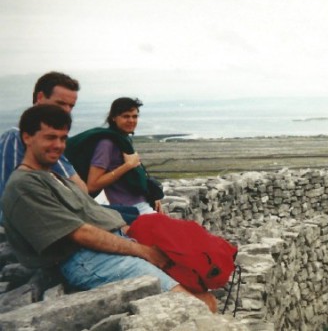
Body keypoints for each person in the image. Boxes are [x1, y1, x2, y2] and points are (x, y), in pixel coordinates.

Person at [1, 104, 216, 312]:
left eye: (63, 138)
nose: (58, 145)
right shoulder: (24, 185)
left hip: (109, 247)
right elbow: (80, 233)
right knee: (194, 306)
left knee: (206, 296)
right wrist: (144, 251)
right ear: (26, 137)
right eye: (50, 137)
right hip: (87, 260)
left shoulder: (53, 176)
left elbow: (92, 213)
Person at [0, 72, 87, 223]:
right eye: (60, 103)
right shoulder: (17, 137)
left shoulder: (52, 143)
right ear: (40, 98)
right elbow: (12, 196)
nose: (66, 110)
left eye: (71, 106)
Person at [66, 98, 161, 215]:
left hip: (143, 204)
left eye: (134, 116)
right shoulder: (106, 144)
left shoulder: (123, 139)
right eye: (126, 116)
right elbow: (92, 185)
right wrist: (128, 166)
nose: (131, 120)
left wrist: (152, 196)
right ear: (113, 117)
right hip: (132, 209)